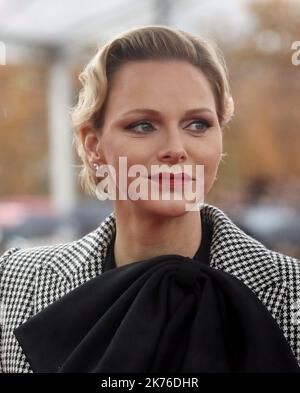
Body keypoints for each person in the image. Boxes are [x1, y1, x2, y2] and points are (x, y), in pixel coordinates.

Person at [1, 25, 300, 373]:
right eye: (143, 125)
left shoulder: (291, 291)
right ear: (92, 145)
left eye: (198, 124)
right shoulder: (17, 282)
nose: (175, 148)